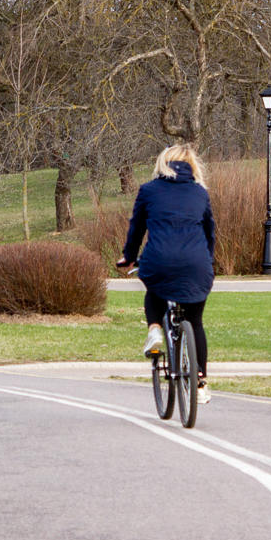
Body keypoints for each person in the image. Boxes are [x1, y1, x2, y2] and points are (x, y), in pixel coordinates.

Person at [114, 143, 215, 404]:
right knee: (195, 321)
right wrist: (207, 261)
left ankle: (156, 329)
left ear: (163, 163)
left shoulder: (148, 191)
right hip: (196, 264)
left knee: (154, 291)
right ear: (192, 165)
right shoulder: (199, 193)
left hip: (159, 260)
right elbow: (209, 233)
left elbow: (136, 229)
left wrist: (129, 257)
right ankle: (200, 380)